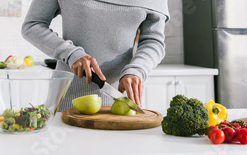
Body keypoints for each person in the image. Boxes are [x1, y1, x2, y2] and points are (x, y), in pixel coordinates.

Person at [22, 0, 170, 111]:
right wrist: (71, 54)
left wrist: (137, 70)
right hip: (66, 104)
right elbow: (33, 25)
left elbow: (153, 41)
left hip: (120, 105)